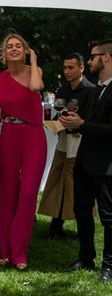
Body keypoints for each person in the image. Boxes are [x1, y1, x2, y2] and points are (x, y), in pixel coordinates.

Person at [0, 33, 46, 271]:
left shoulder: (35, 72)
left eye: (18, 46)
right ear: (3, 52)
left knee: (29, 191)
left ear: (25, 50)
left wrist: (33, 61)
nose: (13, 49)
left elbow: (35, 87)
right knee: (9, 191)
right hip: (9, 135)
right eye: (9, 46)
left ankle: (19, 250)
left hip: (33, 135)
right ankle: (7, 252)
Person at [61, 39, 112, 282]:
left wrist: (83, 124)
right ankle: (86, 257)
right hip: (84, 162)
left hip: (107, 166)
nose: (89, 61)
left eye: (93, 56)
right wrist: (75, 120)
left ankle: (109, 266)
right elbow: (88, 122)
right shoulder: (95, 91)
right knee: (81, 211)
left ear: (107, 57)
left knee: (108, 218)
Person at [38, 53, 94, 239]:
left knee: (75, 183)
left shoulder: (90, 91)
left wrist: (75, 123)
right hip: (63, 142)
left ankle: (82, 227)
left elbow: (89, 121)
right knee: (57, 179)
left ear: (82, 68)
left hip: (80, 144)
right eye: (65, 68)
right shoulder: (62, 90)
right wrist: (55, 123)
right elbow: (58, 114)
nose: (67, 71)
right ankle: (56, 226)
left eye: (71, 67)